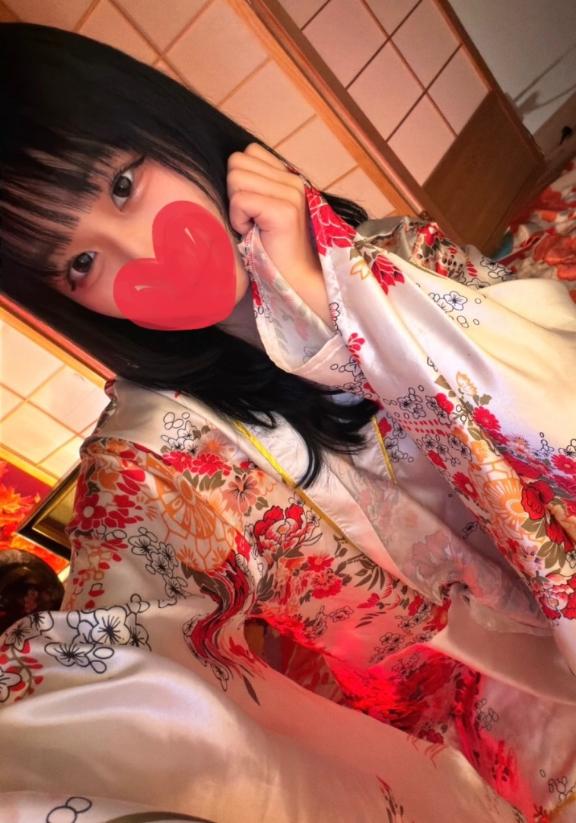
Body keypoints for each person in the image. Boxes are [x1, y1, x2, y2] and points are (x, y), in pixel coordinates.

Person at [1, 21, 576, 823]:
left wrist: (338, 295)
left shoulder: (375, 252)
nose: (140, 255)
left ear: (161, 124)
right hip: (480, 700)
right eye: (81, 264)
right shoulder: (154, 453)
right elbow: (113, 636)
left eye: (124, 184)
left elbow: (547, 377)